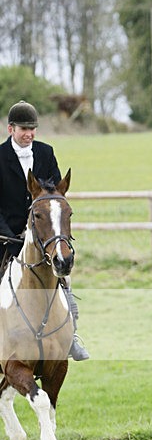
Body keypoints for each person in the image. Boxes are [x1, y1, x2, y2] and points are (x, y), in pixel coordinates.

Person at [0, 100, 89, 360]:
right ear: (10, 129)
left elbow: (56, 196)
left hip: (42, 237)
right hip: (8, 238)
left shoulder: (46, 153)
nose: (29, 133)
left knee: (64, 281)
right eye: (23, 129)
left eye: (32, 128)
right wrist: (11, 239)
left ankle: (71, 338)